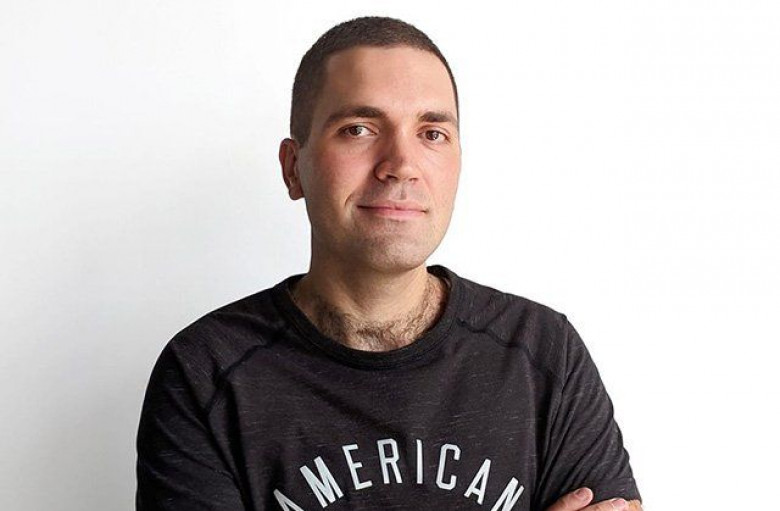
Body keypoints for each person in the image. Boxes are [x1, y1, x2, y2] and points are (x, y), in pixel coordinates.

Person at [135, 16, 643, 511]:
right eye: (358, 129)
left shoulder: (543, 353)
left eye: (432, 133)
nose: (401, 165)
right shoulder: (206, 372)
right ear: (293, 169)